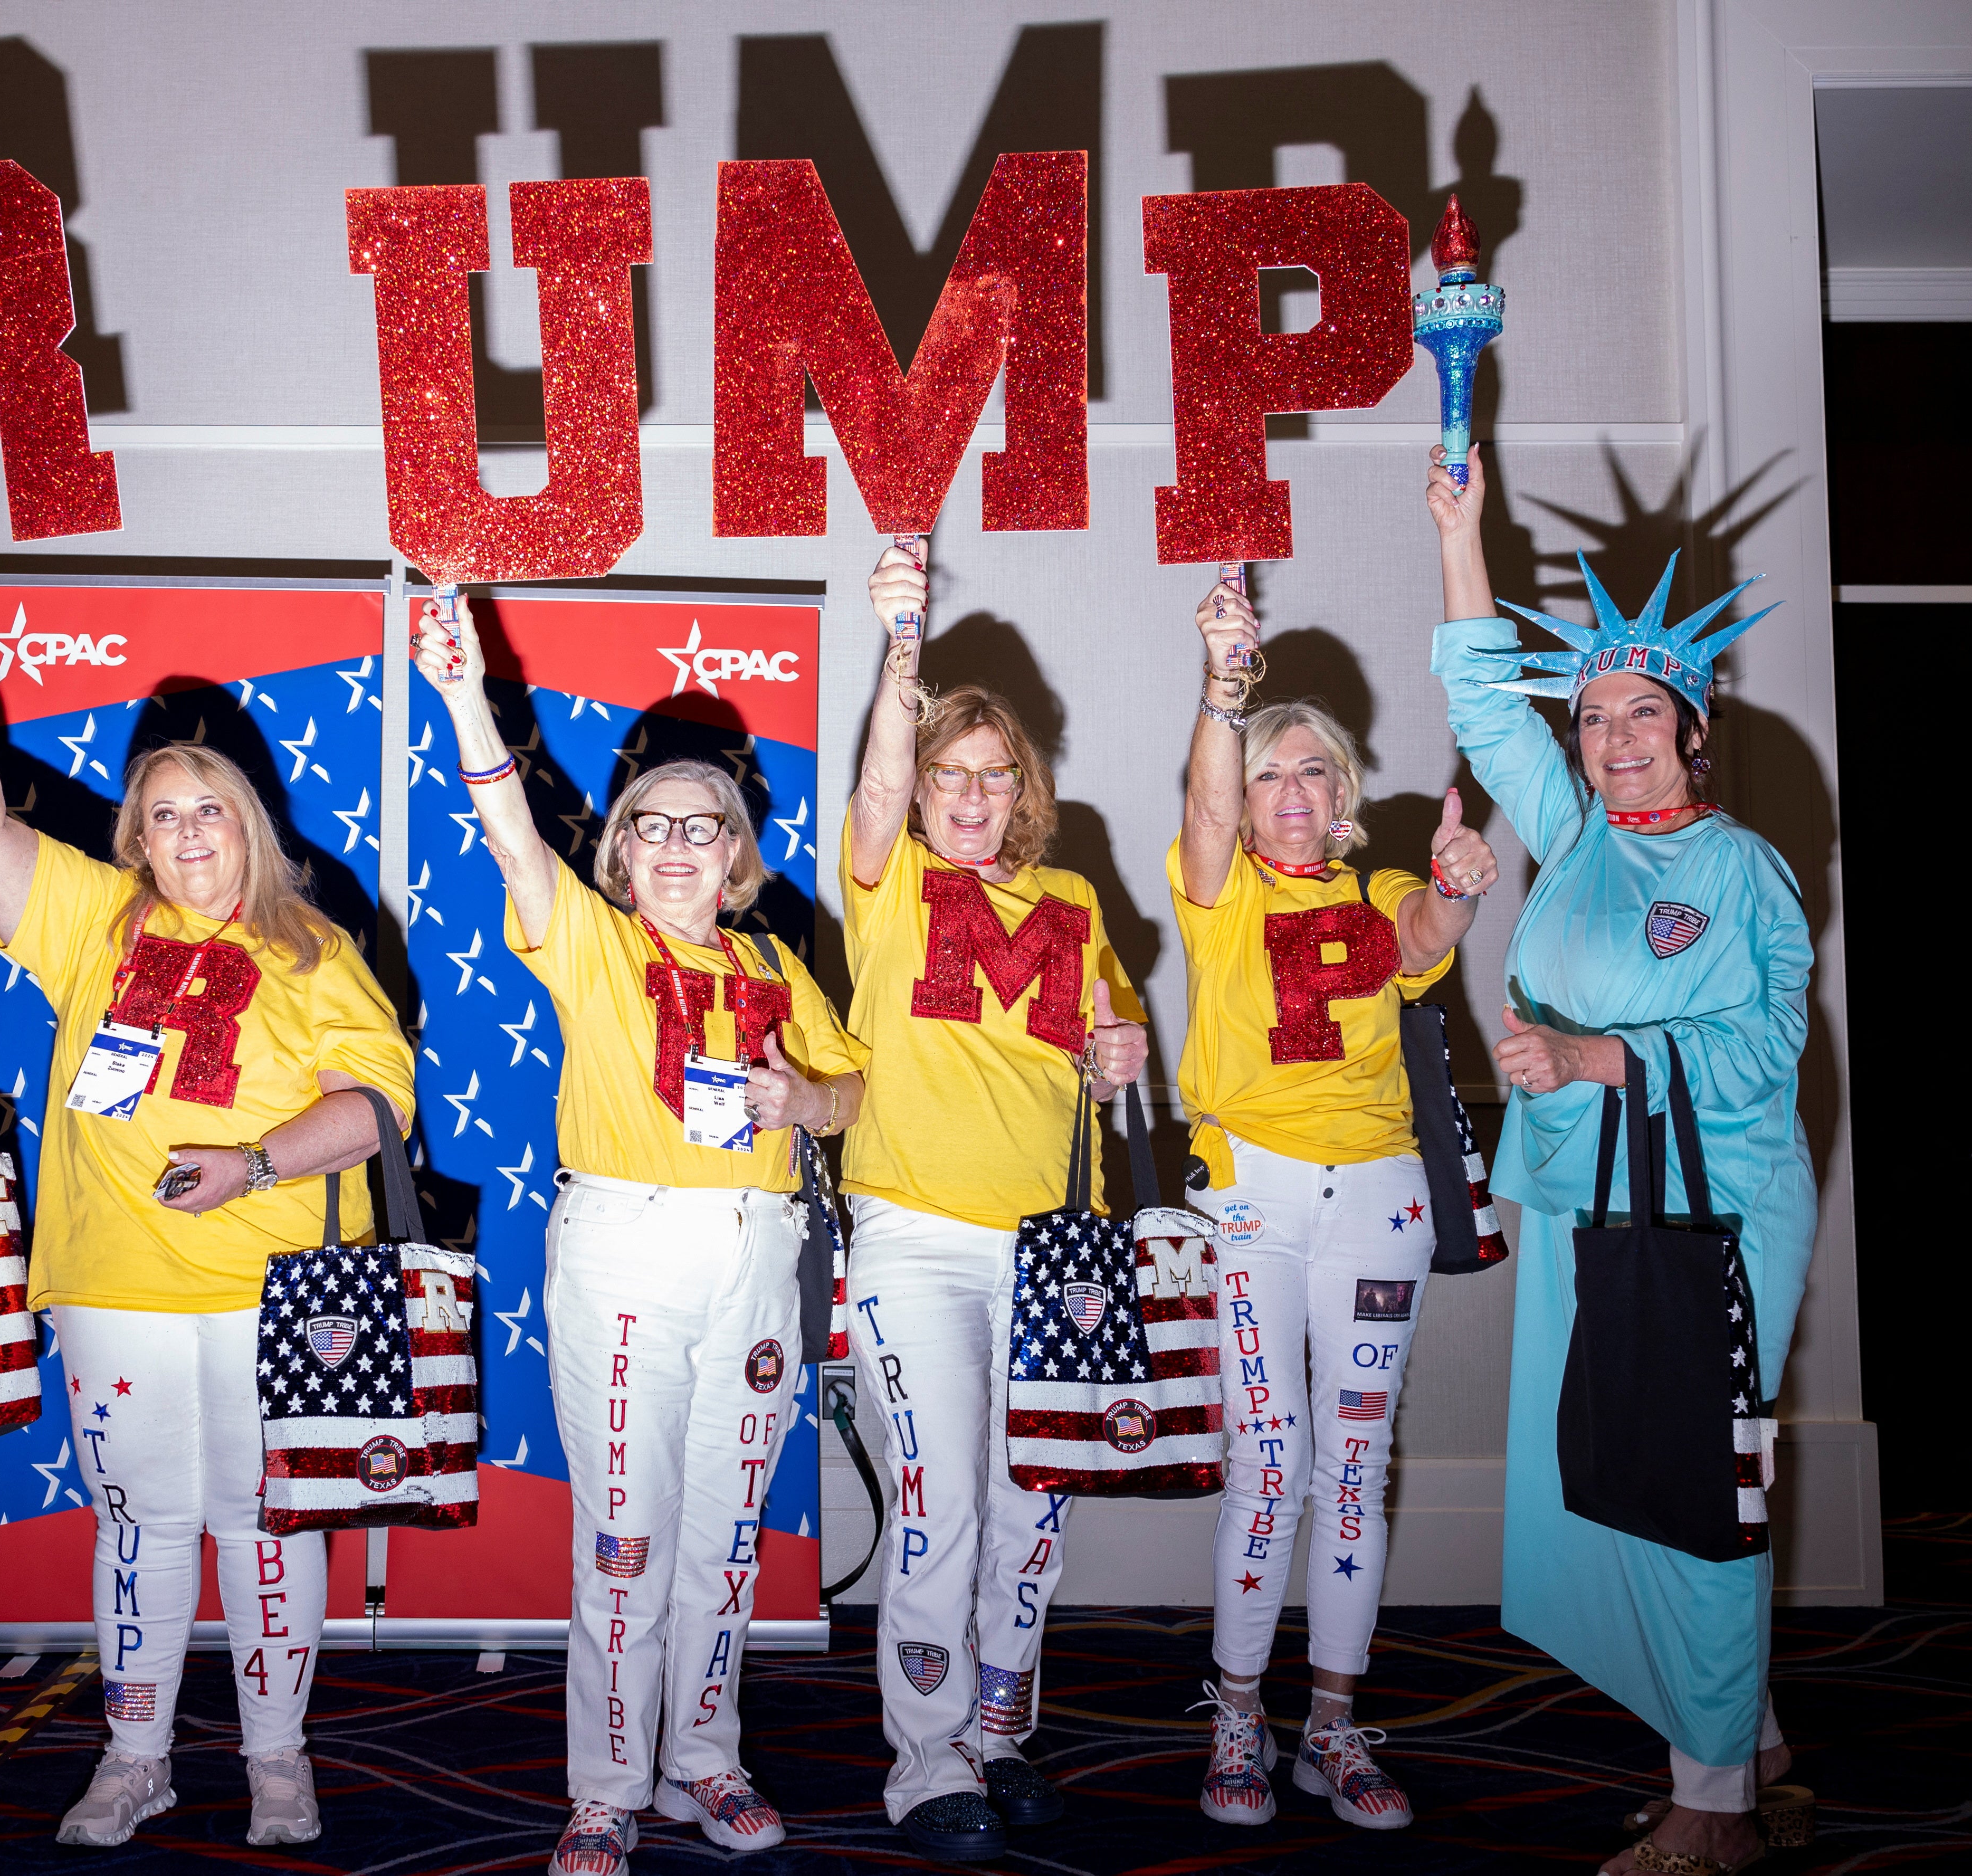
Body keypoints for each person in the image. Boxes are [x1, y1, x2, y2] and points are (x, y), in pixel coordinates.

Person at [0, 569, 414, 1850]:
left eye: (207, 812)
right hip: (115, 1279)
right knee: (140, 1521)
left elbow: (377, 1105)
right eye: (161, 813)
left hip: (269, 1284)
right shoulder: (92, 922)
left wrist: (257, 1163)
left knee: (264, 1523)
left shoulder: (313, 947)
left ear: (249, 826)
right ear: (136, 837)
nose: (185, 832)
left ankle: (276, 1760)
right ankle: (137, 1756)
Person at [412, 596, 868, 1876]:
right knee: (624, 1529)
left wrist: (803, 1099)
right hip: (623, 1243)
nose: (677, 843)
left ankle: (703, 1758)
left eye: (702, 824)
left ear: (738, 851)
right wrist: (461, 691)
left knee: (726, 1528)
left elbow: (851, 1092)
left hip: (757, 1250)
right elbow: (508, 830)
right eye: (651, 824)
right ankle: (606, 1781)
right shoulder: (592, 944)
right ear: (622, 850)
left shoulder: (782, 964)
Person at [1427, 448, 1814, 1876]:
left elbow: (1756, 1049)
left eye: (1640, 708)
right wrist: (1461, 534)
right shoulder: (1576, 835)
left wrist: (1595, 1058)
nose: (1609, 735)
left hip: (1710, 1217)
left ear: (1690, 724)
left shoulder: (1742, 867)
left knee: (1690, 1486)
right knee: (1616, 1477)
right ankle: (1750, 1746)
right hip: (1589, 1208)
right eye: (1589, 714)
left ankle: (1710, 1808)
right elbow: (1482, 695)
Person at [1172, 575, 1499, 1832]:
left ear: (1344, 792)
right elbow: (1200, 807)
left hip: (1377, 1200)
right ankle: (1240, 1715)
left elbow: (1423, 930)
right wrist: (1221, 686)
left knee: (1350, 1470)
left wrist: (1460, 881)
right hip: (1254, 1196)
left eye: (1311, 771)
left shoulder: (1370, 896)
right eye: (1269, 773)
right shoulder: (1218, 894)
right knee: (1272, 1463)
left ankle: (1331, 1724)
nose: (1290, 792)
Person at [842, 545, 1150, 1864]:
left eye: (993, 773)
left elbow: (1113, 1029)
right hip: (912, 1234)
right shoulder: (887, 881)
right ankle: (926, 1754)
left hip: (1049, 1247)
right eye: (945, 773)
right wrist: (901, 648)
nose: (966, 796)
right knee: (939, 1500)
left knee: (1033, 1504)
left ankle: (998, 1728)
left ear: (1024, 785)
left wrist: (1123, 1045)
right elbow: (870, 784)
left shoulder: (1072, 898)